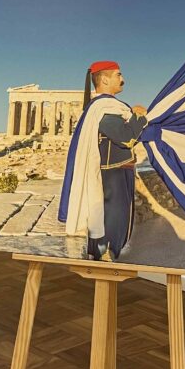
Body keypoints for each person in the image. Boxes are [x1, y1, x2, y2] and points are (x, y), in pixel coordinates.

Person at [59, 61, 147, 261]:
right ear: (105, 79)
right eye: (118, 75)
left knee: (118, 220)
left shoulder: (108, 107)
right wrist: (139, 116)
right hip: (112, 176)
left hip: (119, 173)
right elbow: (125, 138)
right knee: (112, 221)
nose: (122, 79)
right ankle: (105, 261)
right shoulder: (105, 108)